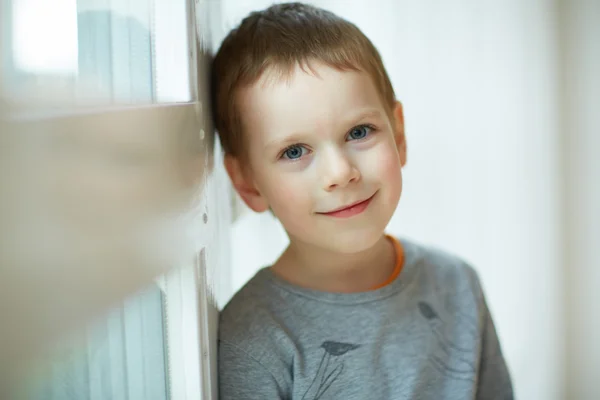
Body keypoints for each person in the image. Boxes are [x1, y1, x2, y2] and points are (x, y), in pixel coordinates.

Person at [211, 2, 513, 399]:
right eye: (295, 151)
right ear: (248, 183)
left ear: (399, 135)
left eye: (359, 132)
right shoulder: (251, 340)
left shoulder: (457, 285)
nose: (340, 173)